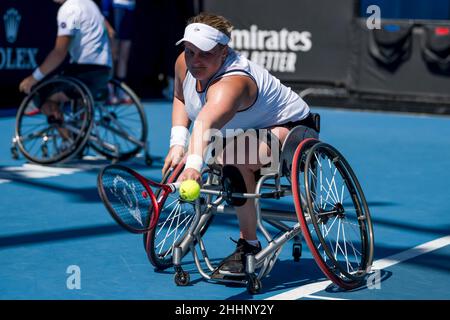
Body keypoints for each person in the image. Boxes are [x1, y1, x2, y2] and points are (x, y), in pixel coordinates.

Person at [162, 13, 318, 277]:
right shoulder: (184, 63)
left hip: (290, 129)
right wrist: (178, 143)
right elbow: (180, 97)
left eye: (205, 53)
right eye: (190, 51)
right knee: (226, 153)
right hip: (236, 130)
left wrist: (193, 163)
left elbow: (205, 123)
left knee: (233, 160)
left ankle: (249, 245)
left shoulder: (232, 83)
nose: (195, 60)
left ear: (224, 52)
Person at [19, 0, 113, 126]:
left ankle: (67, 140)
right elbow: (111, 33)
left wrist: (33, 78)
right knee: (66, 78)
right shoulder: (88, 4)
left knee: (40, 94)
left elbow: (59, 53)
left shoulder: (69, 9)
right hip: (104, 71)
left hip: (85, 73)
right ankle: (81, 124)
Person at [101, 0, 135, 103]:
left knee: (124, 54)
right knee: (113, 54)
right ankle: (110, 91)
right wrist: (105, 10)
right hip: (114, 7)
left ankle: (121, 90)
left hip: (129, 9)